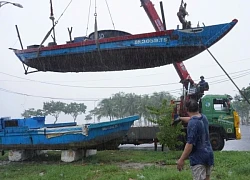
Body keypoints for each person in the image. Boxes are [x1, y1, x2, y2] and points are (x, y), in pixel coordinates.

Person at [176, 99, 214, 180]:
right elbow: (193, 119)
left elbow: (190, 144)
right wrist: (181, 118)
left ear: (187, 109)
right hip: (209, 155)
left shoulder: (192, 123)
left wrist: (181, 159)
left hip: (198, 157)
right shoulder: (204, 118)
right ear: (198, 108)